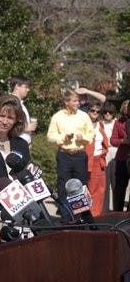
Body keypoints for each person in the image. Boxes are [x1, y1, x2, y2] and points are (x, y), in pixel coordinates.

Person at [47, 88, 94, 222]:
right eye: (74, 101)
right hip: (64, 156)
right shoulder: (57, 116)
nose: (78, 103)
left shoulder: (84, 116)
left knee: (81, 186)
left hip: (79, 155)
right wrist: (63, 138)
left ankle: (82, 217)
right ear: (66, 102)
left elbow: (91, 135)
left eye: (78, 100)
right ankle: (67, 218)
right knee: (63, 187)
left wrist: (82, 137)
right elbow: (50, 136)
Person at [84, 100, 108, 216]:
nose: (95, 113)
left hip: (99, 160)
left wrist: (104, 152)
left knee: (100, 189)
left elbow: (105, 142)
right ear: (88, 111)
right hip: (87, 159)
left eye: (98, 111)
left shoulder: (100, 124)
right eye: (92, 110)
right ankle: (88, 215)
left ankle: (96, 215)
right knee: (88, 189)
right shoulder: (82, 124)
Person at [110, 100, 130, 211]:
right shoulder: (118, 122)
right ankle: (117, 213)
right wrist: (122, 141)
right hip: (122, 159)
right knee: (120, 189)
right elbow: (112, 140)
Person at [9, 76, 37, 144]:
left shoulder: (21, 104)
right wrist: (27, 128)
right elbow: (8, 125)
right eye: (26, 87)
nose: (28, 90)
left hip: (22, 145)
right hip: (15, 144)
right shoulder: (11, 103)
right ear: (17, 86)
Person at [101, 101, 118, 212]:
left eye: (110, 112)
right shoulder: (100, 124)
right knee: (105, 185)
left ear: (113, 113)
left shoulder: (117, 123)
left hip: (116, 153)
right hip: (104, 154)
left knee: (116, 184)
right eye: (106, 112)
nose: (107, 114)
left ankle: (117, 210)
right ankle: (105, 210)